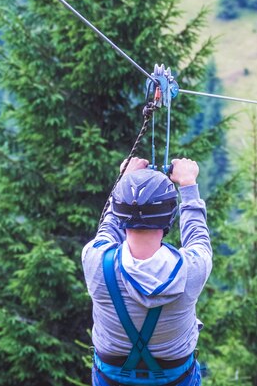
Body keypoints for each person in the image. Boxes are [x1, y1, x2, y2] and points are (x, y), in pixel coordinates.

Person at [82, 157, 211, 386]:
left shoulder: (95, 261)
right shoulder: (192, 269)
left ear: (122, 213)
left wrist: (125, 181)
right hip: (177, 378)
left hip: (110, 377)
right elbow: (198, 239)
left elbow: (109, 227)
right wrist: (188, 184)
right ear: (170, 216)